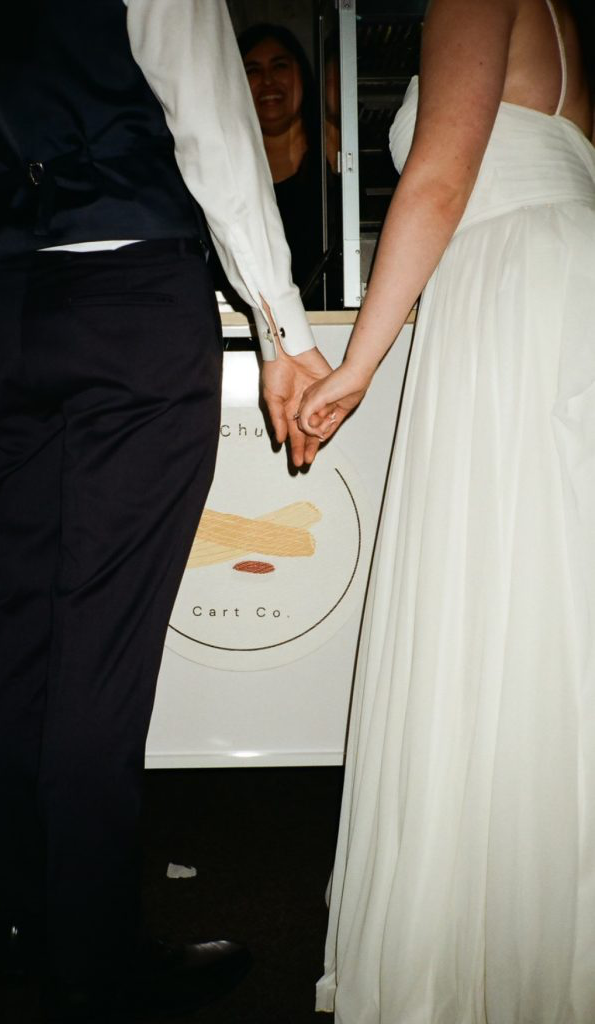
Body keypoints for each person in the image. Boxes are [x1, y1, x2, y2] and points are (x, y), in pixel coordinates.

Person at [0, 1, 336, 1021]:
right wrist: (282, 326)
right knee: (98, 639)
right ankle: (92, 949)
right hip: (132, 294)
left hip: (6, 308)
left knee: (16, 623)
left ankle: (25, 920)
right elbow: (209, 121)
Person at [297, 0, 595, 1020]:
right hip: (553, 287)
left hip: (508, 296)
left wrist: (357, 365)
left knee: (493, 613)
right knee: (553, 613)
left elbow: (437, 176)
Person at [239, 23, 338, 308]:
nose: (267, 81)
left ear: (302, 75)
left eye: (279, 66)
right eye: (252, 70)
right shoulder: (223, 172)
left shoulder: (335, 156)